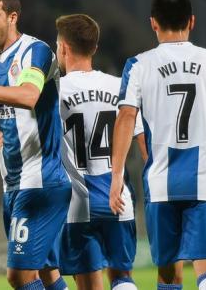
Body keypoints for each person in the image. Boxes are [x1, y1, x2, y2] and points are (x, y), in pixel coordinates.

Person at [110, 0, 206, 290]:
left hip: (161, 180)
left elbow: (126, 117)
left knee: (169, 272)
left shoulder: (138, 65)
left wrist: (116, 176)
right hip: (203, 178)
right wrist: (205, 130)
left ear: (153, 23)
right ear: (191, 21)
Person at [0, 0, 71, 290]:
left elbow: (28, 95)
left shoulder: (35, 51)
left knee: (19, 276)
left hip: (41, 182)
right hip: (12, 182)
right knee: (49, 273)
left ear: (13, 17)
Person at [55, 14, 146, 290]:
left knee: (87, 283)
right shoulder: (121, 86)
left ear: (62, 48)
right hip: (117, 196)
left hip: (77, 203)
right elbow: (143, 143)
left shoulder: (54, 90)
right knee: (122, 278)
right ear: (94, 48)